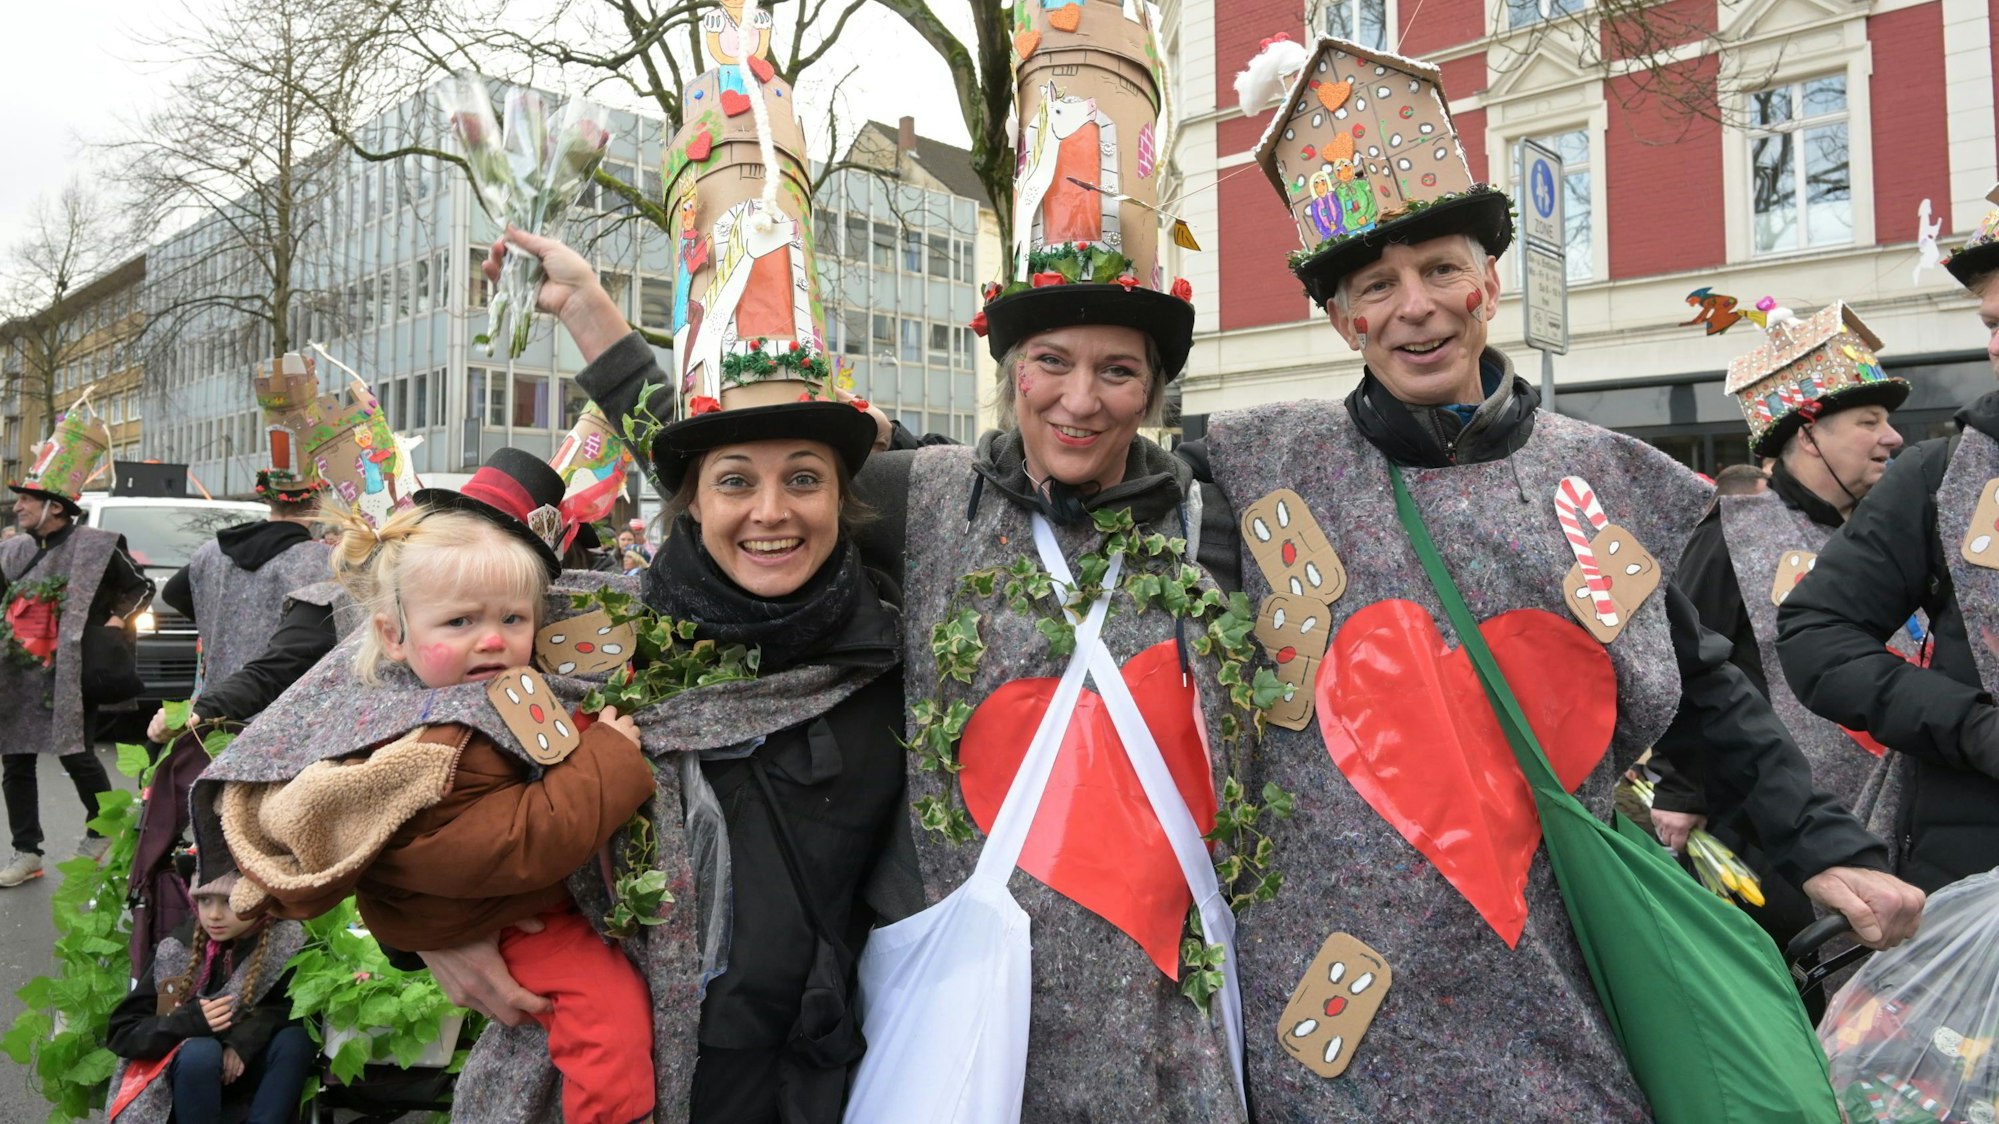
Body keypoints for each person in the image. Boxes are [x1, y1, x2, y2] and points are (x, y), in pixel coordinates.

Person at [1180, 35, 1925, 1121]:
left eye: (1441, 270)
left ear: (1488, 283)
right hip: (1340, 998)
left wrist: (1822, 848)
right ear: (1342, 320)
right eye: (1376, 285)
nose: (1416, 306)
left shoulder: (1601, 478)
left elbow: (1702, 685)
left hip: (1559, 966)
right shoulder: (1254, 470)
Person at [217, 450, 660, 1124]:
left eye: (513, 620)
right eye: (460, 622)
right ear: (393, 636)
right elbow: (517, 844)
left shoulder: (476, 696)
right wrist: (611, 759)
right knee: (608, 1018)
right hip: (501, 918)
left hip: (502, 909)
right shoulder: (430, 747)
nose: (493, 640)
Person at [1659, 303, 1912, 952]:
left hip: (1889, 817)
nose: (1892, 438)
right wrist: (1680, 792)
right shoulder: (1731, 533)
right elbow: (1682, 664)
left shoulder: (1883, 533)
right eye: (1868, 421)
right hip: (1769, 830)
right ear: (1807, 435)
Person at [1776, 193, 1999, 892]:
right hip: (1965, 867)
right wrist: (1973, 727)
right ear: (1806, 437)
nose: (1890, 437)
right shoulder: (1939, 480)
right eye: (1992, 323)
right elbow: (1800, 639)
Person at [1, 409, 151, 887]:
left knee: (76, 753)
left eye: (26, 499)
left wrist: (115, 622)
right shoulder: (15, 551)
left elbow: (141, 587)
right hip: (20, 672)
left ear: (56, 507)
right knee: (15, 759)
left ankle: (101, 830)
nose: (18, 507)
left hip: (72, 672)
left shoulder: (97, 545)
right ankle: (27, 851)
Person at [104, 871, 313, 1124]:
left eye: (229, 902)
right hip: (183, 1083)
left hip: (251, 1075)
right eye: (205, 901)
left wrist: (242, 1042)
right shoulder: (175, 951)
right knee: (202, 1052)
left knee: (296, 1040)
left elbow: (293, 1010)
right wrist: (189, 1022)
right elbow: (122, 1033)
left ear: (256, 901)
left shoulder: (285, 943)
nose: (214, 915)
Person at [147, 463, 335, 741]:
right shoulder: (321, 562)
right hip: (285, 710)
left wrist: (220, 622)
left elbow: (174, 592)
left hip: (213, 707)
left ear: (267, 499)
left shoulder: (210, 552)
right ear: (317, 504)